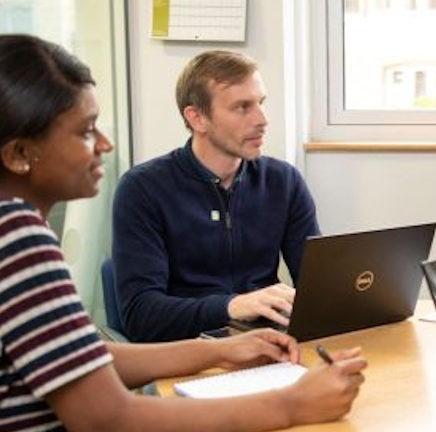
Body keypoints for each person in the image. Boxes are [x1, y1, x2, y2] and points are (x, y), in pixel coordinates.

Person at [0, 35, 365, 432]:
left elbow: (85, 356)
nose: (104, 144)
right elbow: (109, 424)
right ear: (19, 154)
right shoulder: (6, 238)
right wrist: (293, 404)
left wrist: (227, 350)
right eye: (85, 131)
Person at [112, 50, 318, 342]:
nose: (262, 119)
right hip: (186, 352)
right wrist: (231, 306)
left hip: (267, 344)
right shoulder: (142, 189)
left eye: (261, 103)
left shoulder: (283, 181)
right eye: (242, 107)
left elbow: (316, 289)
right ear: (197, 117)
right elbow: (141, 316)